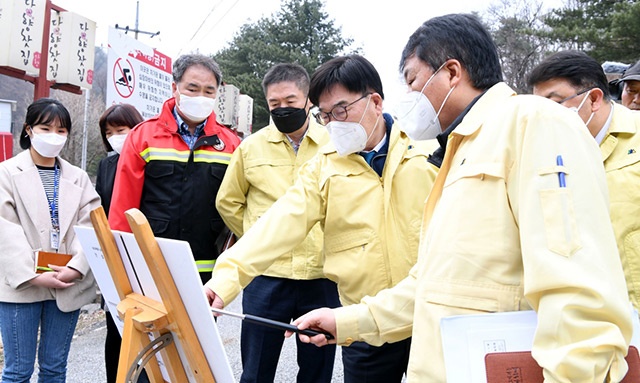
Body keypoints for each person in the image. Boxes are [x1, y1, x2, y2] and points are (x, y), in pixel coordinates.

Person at [290, 14, 632, 382]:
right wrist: (348, 320)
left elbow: (576, 291)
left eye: (412, 79)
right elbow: (436, 283)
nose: (408, 97)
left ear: (452, 72)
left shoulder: (532, 122)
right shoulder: (462, 147)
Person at [205, 54, 438, 383]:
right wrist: (226, 279)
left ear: (374, 101)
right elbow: (280, 223)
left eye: (341, 110)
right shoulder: (325, 166)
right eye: (325, 115)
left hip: (429, 318)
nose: (333, 124)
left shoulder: (427, 152)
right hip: (365, 324)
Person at [214, 63, 340, 383]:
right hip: (266, 276)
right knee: (256, 370)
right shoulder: (251, 147)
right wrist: (259, 237)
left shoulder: (334, 145)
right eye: (274, 104)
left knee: (316, 370)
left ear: (308, 100)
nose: (282, 109)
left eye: (290, 101)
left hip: (320, 275)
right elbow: (228, 201)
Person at [108, 54, 241, 284]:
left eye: (209, 91)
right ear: (174, 88)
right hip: (150, 266)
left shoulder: (231, 144)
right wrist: (122, 264)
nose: (201, 96)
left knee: (199, 322)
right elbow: (123, 208)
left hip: (207, 272)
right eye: (192, 88)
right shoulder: (143, 137)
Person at [528, 50, 640, 311]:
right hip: (589, 316)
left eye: (554, 104)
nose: (544, 116)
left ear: (594, 99)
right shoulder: (545, 153)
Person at [0, 98, 101, 382]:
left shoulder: (78, 178)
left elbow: (91, 224)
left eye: (61, 130)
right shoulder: (6, 173)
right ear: (28, 130)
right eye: (46, 127)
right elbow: (4, 229)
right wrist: (32, 274)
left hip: (67, 281)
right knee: (17, 370)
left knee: (55, 368)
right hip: (21, 285)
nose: (54, 136)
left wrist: (77, 267)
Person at [95, 103, 147, 383]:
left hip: (142, 257)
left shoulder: (148, 158)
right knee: (115, 330)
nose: (115, 136)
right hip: (114, 257)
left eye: (121, 130)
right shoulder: (107, 164)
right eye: (109, 132)